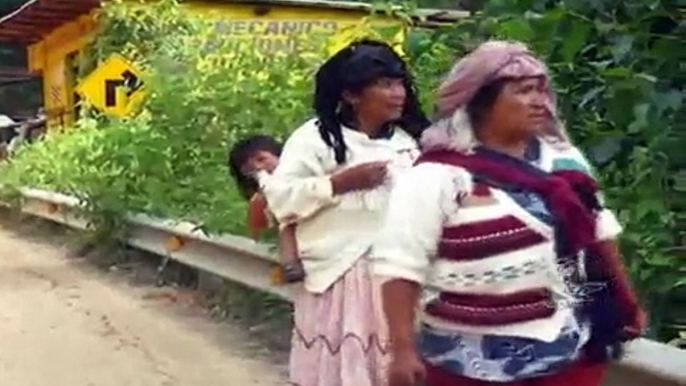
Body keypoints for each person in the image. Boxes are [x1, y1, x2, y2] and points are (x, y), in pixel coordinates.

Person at [372, 40, 646, 386]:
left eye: (541, 91)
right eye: (523, 91)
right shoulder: (437, 175)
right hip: (462, 362)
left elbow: (599, 237)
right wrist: (402, 350)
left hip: (567, 352)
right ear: (481, 102)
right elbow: (400, 266)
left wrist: (626, 301)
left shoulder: (564, 161)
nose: (539, 102)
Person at [261, 39, 430, 386]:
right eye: (384, 84)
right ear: (352, 95)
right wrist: (336, 185)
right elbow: (280, 200)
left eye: (399, 83)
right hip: (335, 276)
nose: (397, 93)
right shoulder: (314, 139)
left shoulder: (410, 143)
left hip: (395, 277)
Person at [228, 134, 304, 283]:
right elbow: (259, 239)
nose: (258, 168)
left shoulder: (308, 178)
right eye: (249, 169)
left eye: (261, 159)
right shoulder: (259, 202)